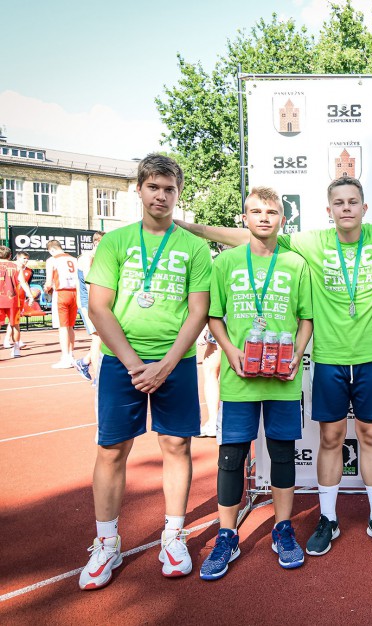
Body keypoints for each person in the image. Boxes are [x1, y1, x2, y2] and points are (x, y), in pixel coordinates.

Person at [175, 175, 372, 558]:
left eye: (353, 202)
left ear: (365, 208)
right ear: (329, 210)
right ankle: (328, 517)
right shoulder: (312, 242)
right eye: (339, 203)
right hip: (327, 357)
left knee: (371, 436)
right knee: (330, 438)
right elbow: (252, 236)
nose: (346, 208)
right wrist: (189, 226)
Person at [79, 154, 212, 590]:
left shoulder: (192, 247)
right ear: (139, 189)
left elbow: (198, 312)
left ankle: (173, 535)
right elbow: (98, 306)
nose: (161, 195)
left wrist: (167, 363)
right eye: (153, 186)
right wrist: (137, 365)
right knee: (112, 449)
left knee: (176, 445)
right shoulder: (115, 242)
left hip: (175, 362)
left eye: (169, 188)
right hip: (123, 363)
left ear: (178, 194)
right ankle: (106, 541)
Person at [200, 186, 313, 580]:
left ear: (283, 218)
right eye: (256, 211)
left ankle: (283, 529)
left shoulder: (296, 264)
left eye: (271, 211)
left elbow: (306, 319)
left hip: (282, 378)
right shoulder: (226, 263)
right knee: (231, 458)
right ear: (244, 218)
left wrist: (298, 353)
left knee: (282, 455)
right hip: (240, 377)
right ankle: (227, 534)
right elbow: (214, 316)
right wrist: (230, 351)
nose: (264, 217)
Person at [74, 232, 105, 381]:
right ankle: (98, 378)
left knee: (105, 338)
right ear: (97, 243)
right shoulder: (86, 258)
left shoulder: (100, 258)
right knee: (97, 338)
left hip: (99, 303)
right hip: (89, 303)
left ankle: (84, 362)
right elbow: (88, 282)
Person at [44, 239, 80, 368]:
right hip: (75, 293)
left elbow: (48, 283)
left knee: (63, 327)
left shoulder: (52, 260)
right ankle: (70, 355)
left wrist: (46, 288)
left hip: (61, 293)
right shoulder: (74, 259)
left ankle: (65, 357)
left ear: (52, 250)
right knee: (70, 326)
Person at [0, 246, 34, 358]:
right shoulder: (16, 267)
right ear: (10, 256)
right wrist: (30, 295)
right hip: (12, 300)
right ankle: (16, 349)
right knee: (15, 325)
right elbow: (23, 282)